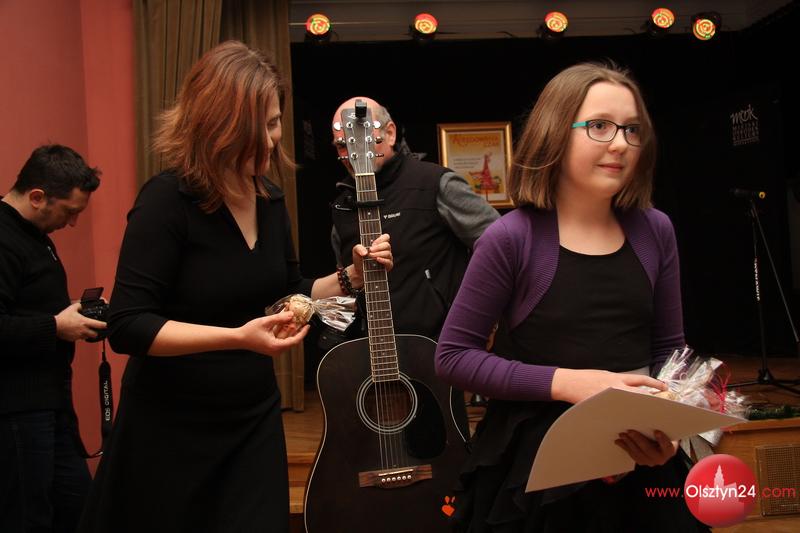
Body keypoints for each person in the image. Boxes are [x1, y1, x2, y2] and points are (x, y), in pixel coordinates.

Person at [76, 41, 391, 533]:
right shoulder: (166, 201)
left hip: (251, 415)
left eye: (275, 122)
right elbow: (128, 325)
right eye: (256, 127)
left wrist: (349, 274)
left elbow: (289, 289)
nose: (270, 140)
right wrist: (237, 337)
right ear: (216, 126)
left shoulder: (269, 199)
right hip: (171, 426)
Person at [435, 63, 708, 531]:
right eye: (600, 126)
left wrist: (668, 433)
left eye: (632, 130)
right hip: (537, 467)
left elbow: (669, 351)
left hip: (637, 455)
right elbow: (454, 357)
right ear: (554, 133)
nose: (620, 144)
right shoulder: (511, 238)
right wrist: (570, 383)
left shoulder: (656, 230)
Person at [329, 97, 499, 341]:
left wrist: (484, 314)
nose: (349, 153)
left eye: (359, 140)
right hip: (374, 353)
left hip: (440, 347)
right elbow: (345, 287)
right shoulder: (342, 205)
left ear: (389, 134)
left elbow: (501, 246)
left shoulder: (434, 183)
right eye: (341, 145)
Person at [0, 144, 104, 533]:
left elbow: (27, 307)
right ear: (37, 197)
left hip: (49, 405)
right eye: (69, 212)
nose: (73, 223)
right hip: (16, 411)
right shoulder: (4, 237)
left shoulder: (35, 233)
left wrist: (74, 314)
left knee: (78, 511)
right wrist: (56, 327)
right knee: (27, 519)